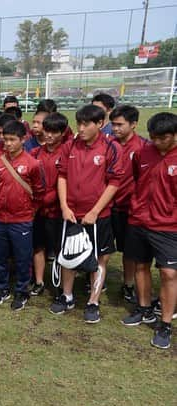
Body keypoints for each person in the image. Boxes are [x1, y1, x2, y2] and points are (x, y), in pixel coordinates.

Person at [52, 104, 124, 323]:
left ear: (100, 124)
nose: (80, 129)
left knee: (99, 259)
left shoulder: (111, 147)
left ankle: (93, 301)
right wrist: (64, 206)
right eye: (79, 124)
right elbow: (62, 176)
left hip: (97, 217)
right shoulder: (70, 145)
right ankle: (67, 296)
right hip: (71, 214)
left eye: (86, 124)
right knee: (67, 256)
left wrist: (95, 211)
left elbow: (114, 183)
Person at [121, 112, 177, 349]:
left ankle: (165, 324)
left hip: (168, 226)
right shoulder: (143, 153)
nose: (156, 142)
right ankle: (144, 308)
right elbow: (137, 178)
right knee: (140, 265)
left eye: (161, 138)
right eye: (153, 137)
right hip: (139, 220)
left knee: (169, 273)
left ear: (173, 136)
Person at [0, 121, 46, 310]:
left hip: (21, 220)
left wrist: (30, 210)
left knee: (22, 258)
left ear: (24, 139)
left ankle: (22, 291)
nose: (8, 144)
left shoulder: (33, 164)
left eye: (13, 140)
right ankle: (1, 288)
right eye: (6, 140)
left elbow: (39, 192)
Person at [109, 105, 147, 304]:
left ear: (133, 124)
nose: (115, 129)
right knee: (102, 249)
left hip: (129, 208)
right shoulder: (107, 144)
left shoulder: (143, 148)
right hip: (106, 206)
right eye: (113, 124)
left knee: (129, 251)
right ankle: (95, 280)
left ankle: (128, 284)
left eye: (119, 124)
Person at [30, 112, 71, 296]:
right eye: (47, 131)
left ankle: (61, 285)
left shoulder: (68, 153)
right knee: (38, 246)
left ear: (63, 133)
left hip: (58, 212)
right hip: (38, 211)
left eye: (54, 132)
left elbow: (67, 181)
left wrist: (50, 198)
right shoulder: (35, 153)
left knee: (60, 250)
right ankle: (39, 281)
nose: (49, 135)